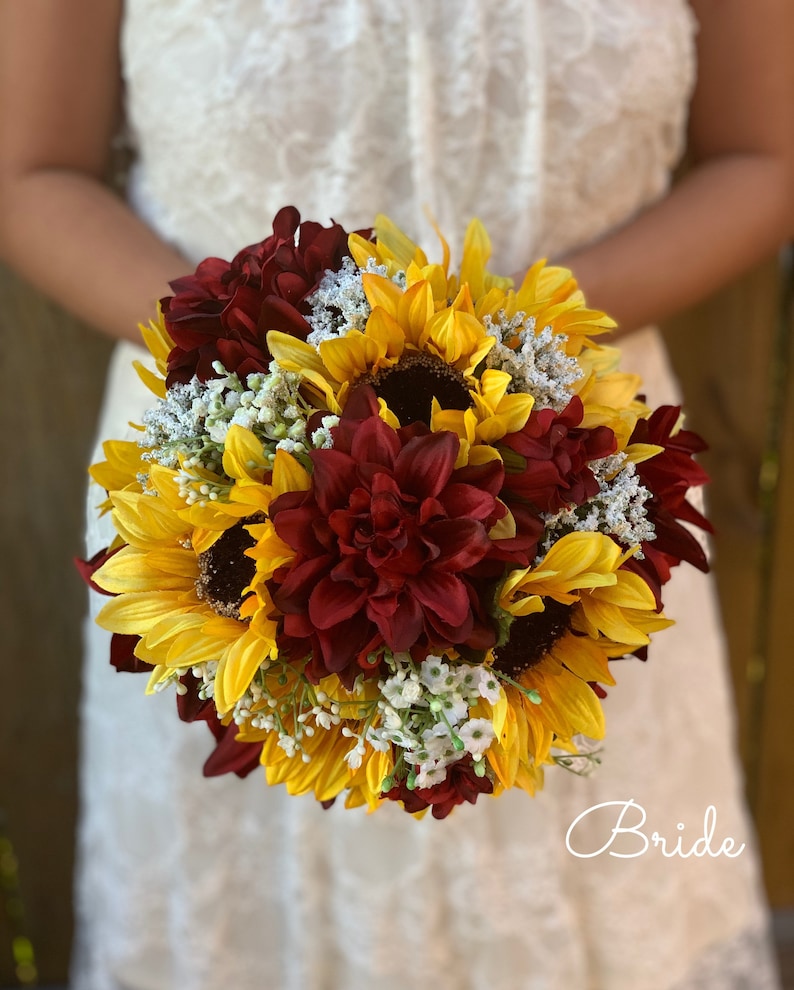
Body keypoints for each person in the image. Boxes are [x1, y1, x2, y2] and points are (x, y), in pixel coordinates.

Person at [1, 2, 791, 987]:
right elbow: (33, 171)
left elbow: (762, 155)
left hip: (575, 480)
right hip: (228, 479)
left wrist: (512, 361)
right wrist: (262, 375)